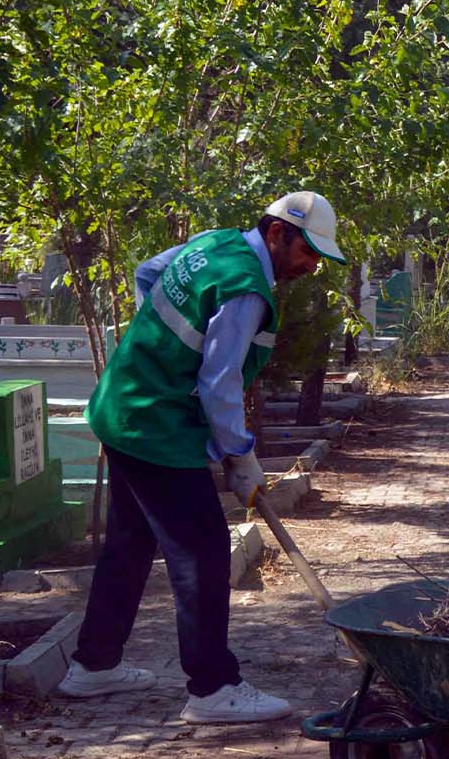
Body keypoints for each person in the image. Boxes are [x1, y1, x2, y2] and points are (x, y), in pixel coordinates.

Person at [59, 192, 347, 724]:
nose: (311, 266)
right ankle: (213, 686)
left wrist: (161, 351)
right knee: (204, 552)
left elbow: (149, 274)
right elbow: (219, 383)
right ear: (279, 233)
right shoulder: (247, 288)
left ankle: (94, 665)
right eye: (308, 252)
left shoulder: (215, 245)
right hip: (155, 425)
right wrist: (240, 457)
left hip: (124, 405)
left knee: (130, 542)